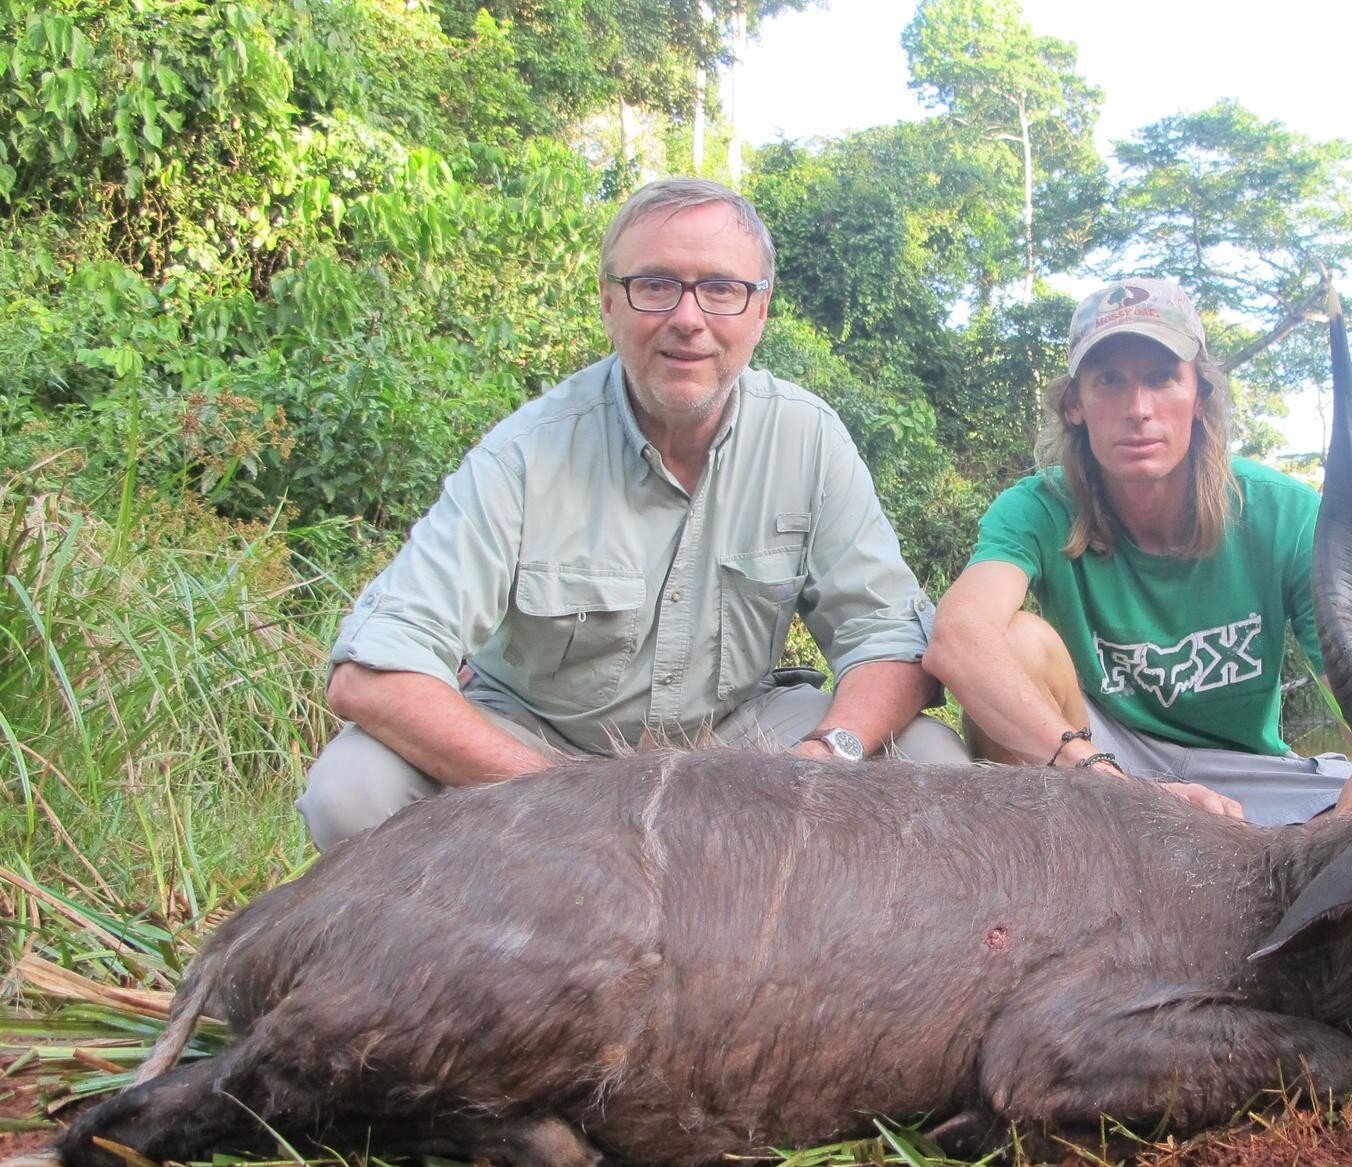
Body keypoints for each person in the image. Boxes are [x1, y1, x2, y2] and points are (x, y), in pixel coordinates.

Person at [299, 178, 967, 850]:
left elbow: (889, 637)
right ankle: (474, 950)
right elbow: (374, 673)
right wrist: (569, 795)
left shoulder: (808, 438)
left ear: (760, 311)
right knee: (351, 791)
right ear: (608, 302)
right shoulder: (526, 453)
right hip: (543, 741)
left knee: (933, 761)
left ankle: (810, 951)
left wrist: (826, 754)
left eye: (721, 289)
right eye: (655, 285)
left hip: (738, 733)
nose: (687, 318)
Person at [923, 277, 1352, 826]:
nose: (1138, 409)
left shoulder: (1285, 512)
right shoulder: (1036, 508)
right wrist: (1104, 778)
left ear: (1200, 398)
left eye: (1162, 379)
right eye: (1110, 381)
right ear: (1076, 404)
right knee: (1016, 640)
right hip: (1095, 753)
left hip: (1244, 769)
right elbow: (959, 636)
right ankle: (1037, 870)